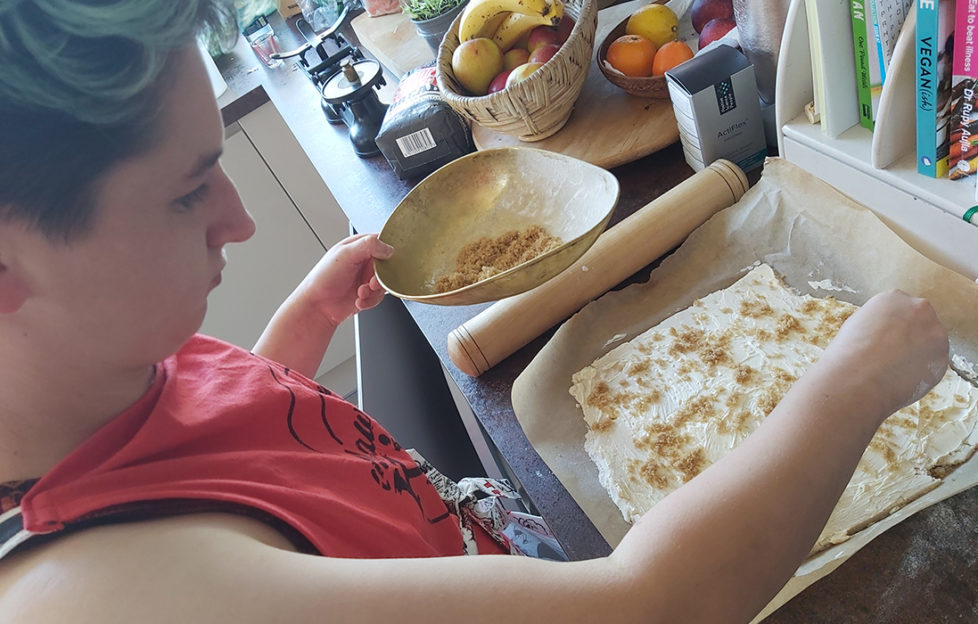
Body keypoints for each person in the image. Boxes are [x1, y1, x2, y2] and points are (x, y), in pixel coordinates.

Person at [0, 1, 951, 622]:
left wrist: (298, 327)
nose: (239, 221)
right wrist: (851, 386)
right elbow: (650, 605)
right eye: (184, 194)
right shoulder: (106, 598)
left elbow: (221, 440)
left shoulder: (99, 372)